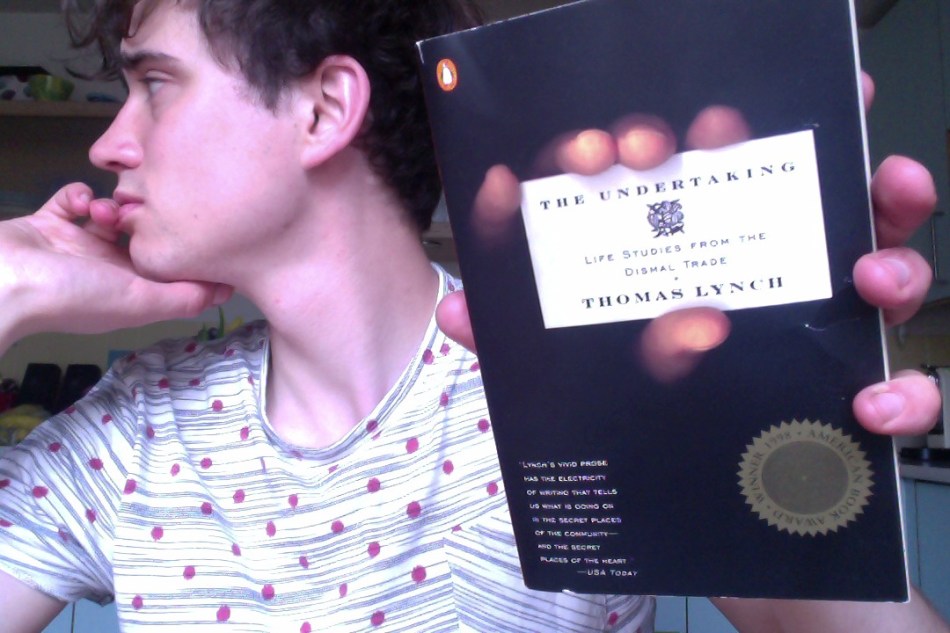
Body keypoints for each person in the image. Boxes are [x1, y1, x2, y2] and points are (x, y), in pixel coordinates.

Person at [0, 0, 946, 631]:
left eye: (155, 84)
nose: (109, 143)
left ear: (324, 109)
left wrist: (767, 390)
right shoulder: (133, 430)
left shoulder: (574, 388)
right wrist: (11, 287)